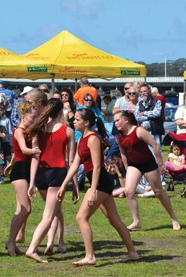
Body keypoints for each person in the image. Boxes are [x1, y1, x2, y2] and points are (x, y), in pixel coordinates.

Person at [57, 109, 139, 266]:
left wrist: (93, 189)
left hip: (101, 182)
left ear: (86, 122)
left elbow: (97, 167)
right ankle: (132, 252)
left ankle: (90, 256)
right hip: (100, 183)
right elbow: (75, 164)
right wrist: (63, 185)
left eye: (77, 119)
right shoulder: (82, 139)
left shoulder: (93, 139)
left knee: (81, 218)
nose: (74, 122)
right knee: (114, 220)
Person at [24, 98, 75, 262]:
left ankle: (52, 242)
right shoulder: (68, 131)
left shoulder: (38, 129)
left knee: (54, 211)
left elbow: (35, 158)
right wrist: (74, 183)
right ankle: (33, 248)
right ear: (61, 112)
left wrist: (32, 182)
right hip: (57, 173)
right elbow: (71, 161)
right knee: (48, 215)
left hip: (41, 173)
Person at [114, 111, 181, 231]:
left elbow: (155, 145)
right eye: (114, 121)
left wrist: (160, 164)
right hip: (134, 165)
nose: (115, 123)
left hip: (148, 163)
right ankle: (136, 221)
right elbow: (123, 153)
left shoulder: (138, 131)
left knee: (159, 192)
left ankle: (174, 218)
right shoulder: (119, 136)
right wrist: (127, 168)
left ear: (126, 120)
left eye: (117, 120)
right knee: (129, 192)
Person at [5, 101, 40, 256]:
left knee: (21, 209)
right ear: (23, 117)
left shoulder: (30, 131)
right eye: (32, 117)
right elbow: (24, 150)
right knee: (26, 209)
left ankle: (13, 241)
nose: (34, 120)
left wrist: (10, 163)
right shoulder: (19, 131)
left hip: (24, 169)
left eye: (35, 117)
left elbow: (16, 152)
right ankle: (11, 241)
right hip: (19, 172)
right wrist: (36, 150)